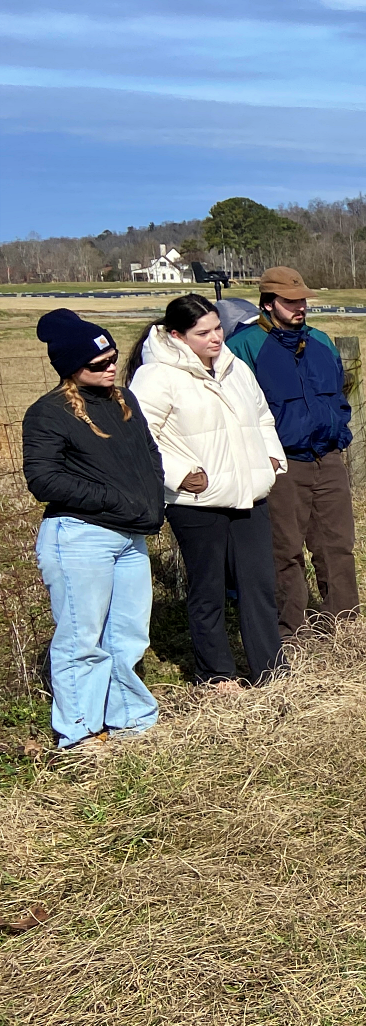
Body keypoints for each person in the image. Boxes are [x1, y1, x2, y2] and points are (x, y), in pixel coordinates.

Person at [22, 310, 165, 751]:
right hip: (80, 537)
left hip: (130, 535)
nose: (109, 368)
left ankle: (130, 721)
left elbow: (149, 452)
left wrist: (150, 497)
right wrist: (115, 499)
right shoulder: (48, 413)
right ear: (71, 368)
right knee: (82, 638)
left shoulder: (124, 400)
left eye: (112, 359)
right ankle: (81, 732)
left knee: (126, 636)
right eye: (97, 364)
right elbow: (43, 479)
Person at [128, 294, 286, 690]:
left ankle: (270, 668)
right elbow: (141, 436)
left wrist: (270, 458)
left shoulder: (234, 368)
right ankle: (216, 675)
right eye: (204, 333)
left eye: (218, 328)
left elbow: (262, 416)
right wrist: (179, 475)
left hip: (250, 493)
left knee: (259, 584)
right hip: (197, 502)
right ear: (177, 335)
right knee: (208, 588)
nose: (216, 338)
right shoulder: (155, 376)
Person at [225, 267, 359, 640]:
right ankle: (290, 631)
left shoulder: (320, 342)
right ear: (268, 305)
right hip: (281, 462)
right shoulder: (244, 347)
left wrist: (339, 428)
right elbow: (237, 410)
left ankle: (344, 625)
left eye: (302, 300)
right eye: (290, 302)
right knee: (284, 550)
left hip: (328, 457)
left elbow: (338, 395)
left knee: (337, 544)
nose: (300, 307)